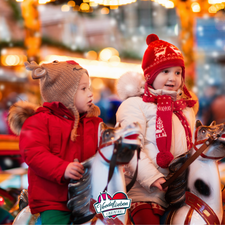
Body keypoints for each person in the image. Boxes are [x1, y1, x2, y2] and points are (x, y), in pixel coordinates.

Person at [116, 34, 198, 224]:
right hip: (145, 191)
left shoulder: (185, 108)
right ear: (149, 76)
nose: (173, 78)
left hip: (181, 189)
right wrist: (152, 177)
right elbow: (129, 149)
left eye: (178, 73)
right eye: (166, 71)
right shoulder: (134, 105)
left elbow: (191, 146)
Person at [8, 60, 102, 225]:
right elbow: (34, 153)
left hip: (90, 196)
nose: (90, 94)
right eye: (83, 89)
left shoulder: (93, 123)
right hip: (55, 200)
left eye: (89, 88)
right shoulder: (39, 122)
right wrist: (63, 168)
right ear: (65, 93)